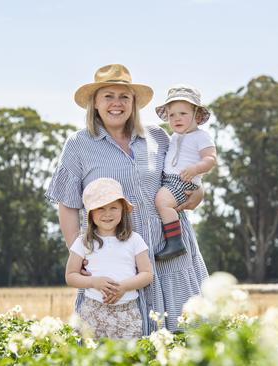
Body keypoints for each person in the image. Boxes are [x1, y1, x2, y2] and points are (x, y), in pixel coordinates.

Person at [46, 64, 209, 333]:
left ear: (133, 103)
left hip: (168, 249)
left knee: (183, 336)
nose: (117, 103)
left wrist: (199, 192)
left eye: (124, 97)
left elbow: (181, 177)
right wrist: (80, 254)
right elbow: (68, 205)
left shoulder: (157, 136)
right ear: (95, 103)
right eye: (108, 96)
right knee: (115, 345)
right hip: (115, 255)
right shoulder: (79, 144)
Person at [65, 178, 152, 339]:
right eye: (100, 208)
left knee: (127, 358)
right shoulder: (83, 242)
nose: (107, 214)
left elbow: (147, 274)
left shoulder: (134, 240)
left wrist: (123, 287)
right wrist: (93, 282)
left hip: (126, 312)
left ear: (122, 210)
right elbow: (70, 276)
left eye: (113, 208)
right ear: (91, 213)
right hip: (92, 310)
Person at [153, 85, 217, 260]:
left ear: (196, 115)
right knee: (162, 200)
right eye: (172, 115)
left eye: (183, 114)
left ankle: (175, 242)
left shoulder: (201, 136)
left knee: (162, 202)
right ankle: (173, 240)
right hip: (170, 179)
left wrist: (196, 169)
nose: (176, 118)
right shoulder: (173, 137)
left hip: (183, 180)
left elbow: (211, 158)